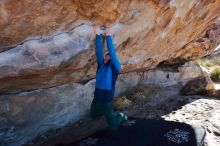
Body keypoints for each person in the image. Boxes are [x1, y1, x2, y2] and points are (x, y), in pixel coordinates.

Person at [91, 25, 128, 131]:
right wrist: (98, 35)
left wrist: (108, 36)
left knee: (114, 127)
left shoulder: (115, 67)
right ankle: (110, 111)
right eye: (106, 56)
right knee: (94, 115)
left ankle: (120, 116)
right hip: (97, 97)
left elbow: (112, 52)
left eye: (109, 56)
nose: (107, 56)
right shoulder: (101, 65)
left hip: (107, 100)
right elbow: (99, 51)